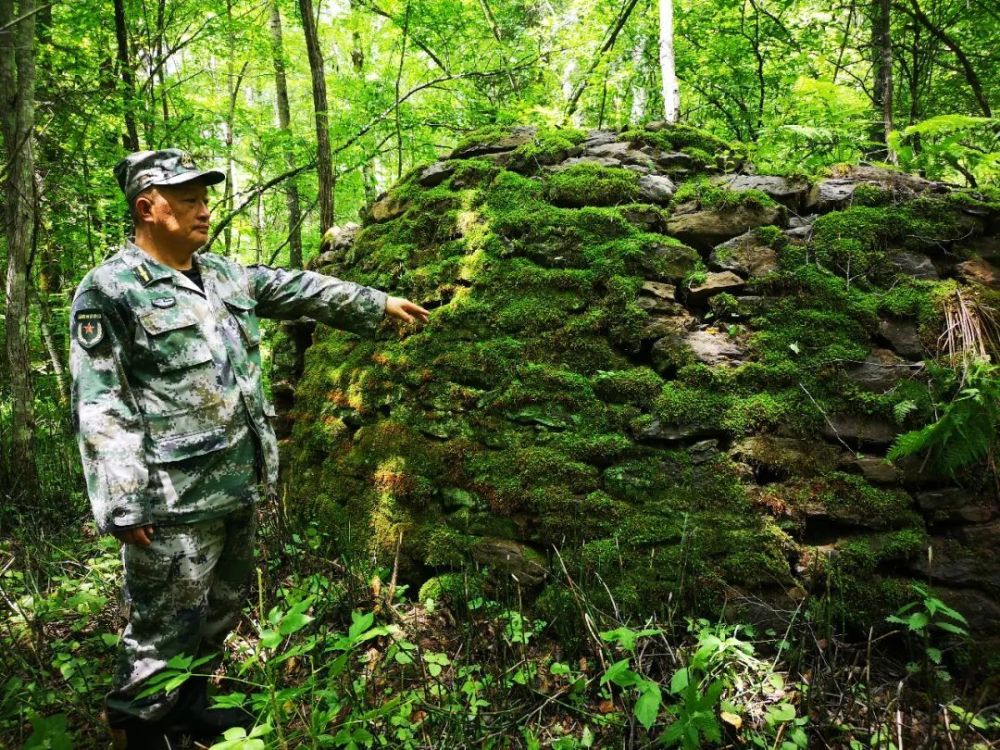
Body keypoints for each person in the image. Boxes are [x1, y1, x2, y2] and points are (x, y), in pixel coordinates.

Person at [69, 149, 429, 748]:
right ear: (147, 207)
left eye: (205, 199)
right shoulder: (110, 290)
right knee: (163, 628)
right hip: (170, 502)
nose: (204, 211)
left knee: (218, 614)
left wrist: (377, 302)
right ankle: (140, 727)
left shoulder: (225, 275)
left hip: (239, 485)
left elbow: (299, 288)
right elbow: (101, 401)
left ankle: (192, 710)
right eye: (189, 201)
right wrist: (123, 501)